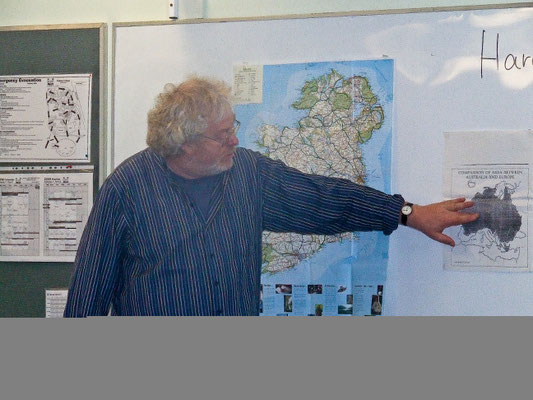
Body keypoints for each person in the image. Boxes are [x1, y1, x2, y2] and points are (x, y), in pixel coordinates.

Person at [63, 76, 478, 317]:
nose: (235, 139)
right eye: (222, 134)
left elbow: (324, 199)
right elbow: (89, 294)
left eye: (233, 126)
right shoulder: (127, 189)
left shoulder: (248, 174)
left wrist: (406, 212)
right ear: (184, 144)